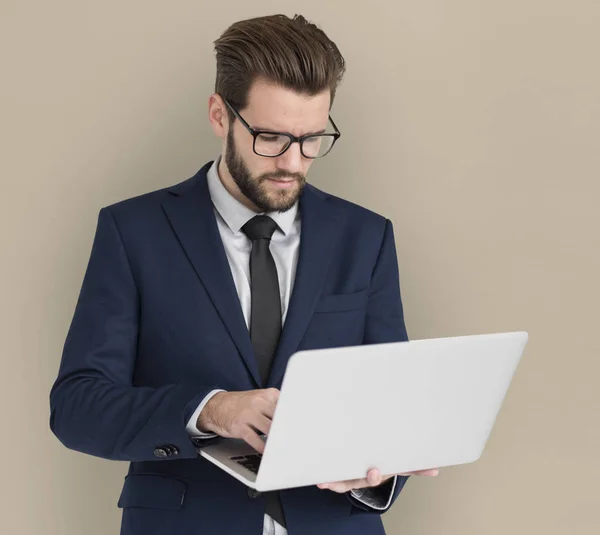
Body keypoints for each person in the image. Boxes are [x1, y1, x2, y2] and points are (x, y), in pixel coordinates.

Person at [49, 13, 438, 535]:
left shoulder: (365, 238)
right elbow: (78, 406)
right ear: (219, 115)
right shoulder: (133, 231)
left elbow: (389, 398)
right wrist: (209, 410)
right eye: (271, 137)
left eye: (312, 138)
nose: (294, 163)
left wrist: (378, 473)